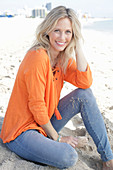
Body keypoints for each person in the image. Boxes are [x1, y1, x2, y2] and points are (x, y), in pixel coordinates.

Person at [0, 6, 113, 170]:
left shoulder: (62, 58)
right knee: (68, 155)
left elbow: (85, 82)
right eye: (57, 31)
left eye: (68, 32)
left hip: (43, 124)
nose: (62, 37)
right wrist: (59, 138)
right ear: (48, 31)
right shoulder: (37, 56)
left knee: (85, 95)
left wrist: (78, 45)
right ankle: (47, 144)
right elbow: (36, 105)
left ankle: (108, 159)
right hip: (22, 131)